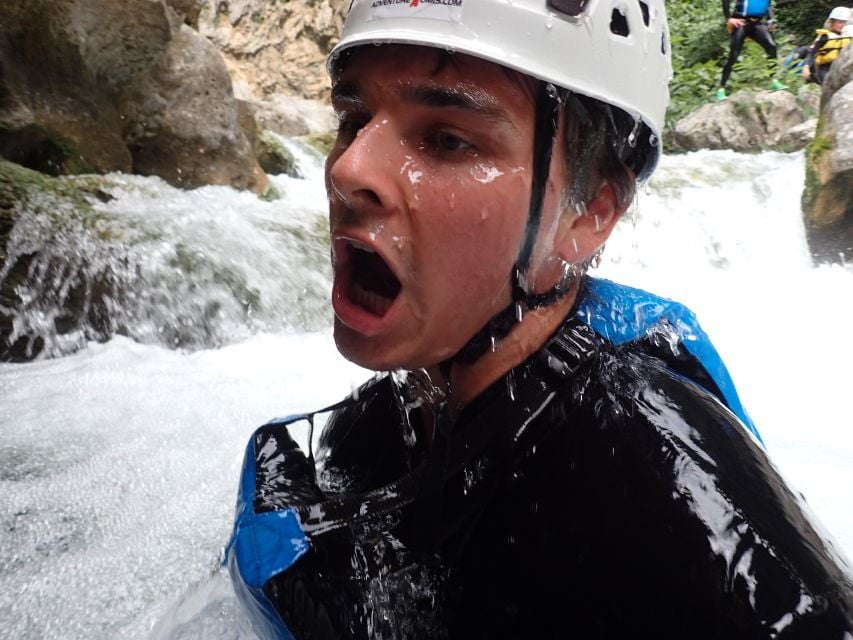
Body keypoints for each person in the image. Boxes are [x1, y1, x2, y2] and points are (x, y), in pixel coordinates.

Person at [226, 1, 853, 638]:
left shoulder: (647, 460)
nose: (347, 169)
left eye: (446, 139)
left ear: (590, 214)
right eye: (353, 118)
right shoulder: (375, 427)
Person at [716, 0, 786, 101]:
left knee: (772, 47)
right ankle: (721, 89)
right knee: (733, 55)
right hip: (740, 23)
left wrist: (772, 20)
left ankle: (774, 80)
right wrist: (729, 18)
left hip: (757, 23)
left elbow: (768, 5)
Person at [802, 6, 852, 85]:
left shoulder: (848, 36)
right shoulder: (824, 37)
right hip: (825, 67)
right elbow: (811, 52)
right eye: (839, 22)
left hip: (841, 66)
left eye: (844, 22)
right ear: (831, 22)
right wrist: (806, 66)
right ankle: (813, 79)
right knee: (828, 82)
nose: (842, 25)